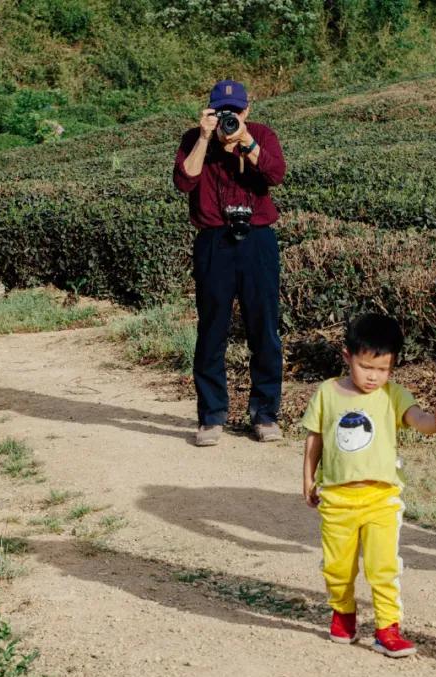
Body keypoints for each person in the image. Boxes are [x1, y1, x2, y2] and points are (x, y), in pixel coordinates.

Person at [301, 313, 436, 658]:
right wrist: (308, 477)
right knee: (337, 566)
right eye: (367, 367)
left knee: (383, 567)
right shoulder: (326, 394)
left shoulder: (393, 395)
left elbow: (417, 419)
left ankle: (387, 628)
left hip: (381, 499)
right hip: (337, 499)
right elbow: (314, 438)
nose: (374, 377)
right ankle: (343, 613)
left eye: (383, 369)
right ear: (347, 356)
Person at [173, 79, 286, 447]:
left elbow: (275, 175)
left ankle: (265, 414)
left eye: (236, 112)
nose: (229, 118)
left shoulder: (262, 135)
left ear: (247, 111)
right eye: (223, 112)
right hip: (213, 241)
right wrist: (205, 139)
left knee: (264, 327)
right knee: (212, 330)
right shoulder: (195, 139)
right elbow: (184, 181)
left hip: (257, 239)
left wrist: (247, 144)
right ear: (209, 112)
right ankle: (211, 417)